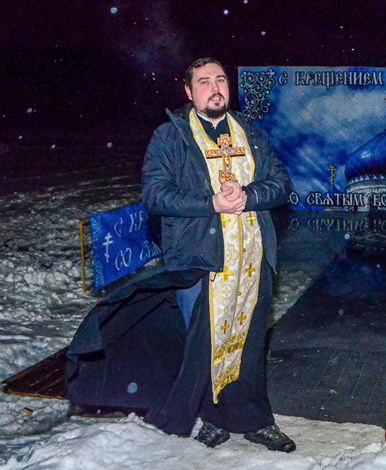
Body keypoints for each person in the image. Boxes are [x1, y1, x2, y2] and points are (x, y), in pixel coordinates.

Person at [64, 58, 295, 453]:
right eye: (204, 82)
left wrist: (249, 195)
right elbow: (156, 196)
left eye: (220, 80)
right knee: (202, 345)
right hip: (200, 258)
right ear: (188, 91)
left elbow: (281, 184)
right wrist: (212, 203)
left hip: (252, 259)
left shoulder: (250, 133)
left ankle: (254, 418)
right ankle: (210, 417)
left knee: (250, 342)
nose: (215, 88)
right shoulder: (171, 137)